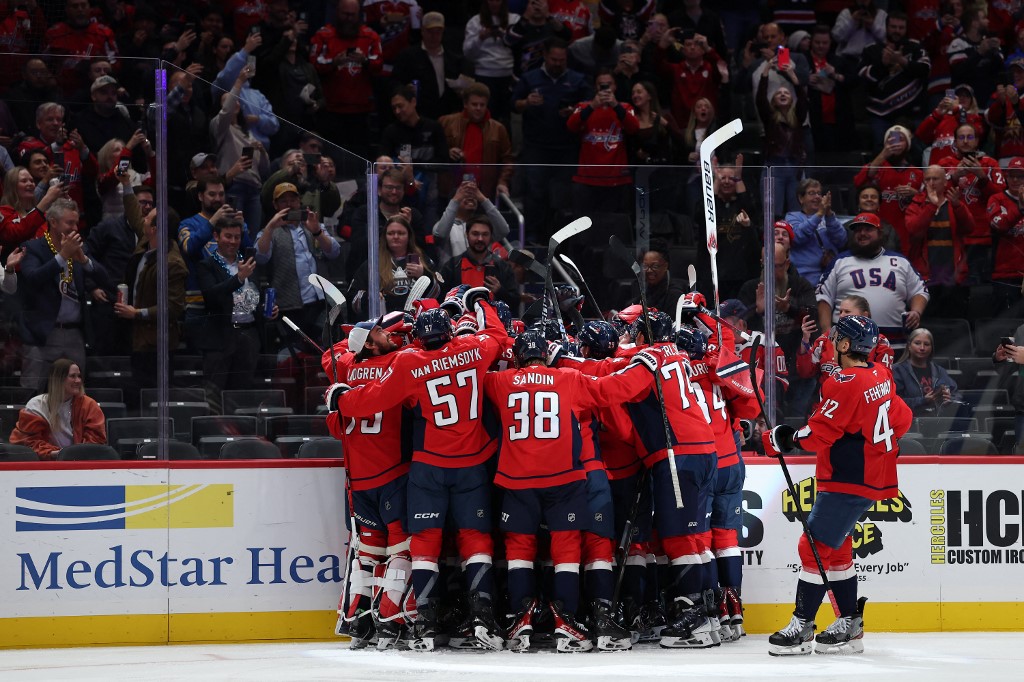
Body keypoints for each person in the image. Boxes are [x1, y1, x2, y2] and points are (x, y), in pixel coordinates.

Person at [332, 296, 510, 652]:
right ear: (449, 332)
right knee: (476, 543)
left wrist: (341, 400)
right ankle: (483, 621)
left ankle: (425, 627)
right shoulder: (473, 349)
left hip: (428, 466)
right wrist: (480, 303)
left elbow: (374, 399)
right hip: (472, 462)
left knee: (424, 545)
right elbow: (498, 335)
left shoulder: (409, 361)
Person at [483, 328, 655, 652]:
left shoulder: (498, 382)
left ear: (518, 357)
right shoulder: (569, 378)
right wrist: (646, 367)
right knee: (568, 551)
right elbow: (611, 390)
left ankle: (521, 619)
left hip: (516, 478)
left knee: (519, 552)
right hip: (563, 477)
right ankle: (566, 622)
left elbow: (474, 368)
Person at [764, 315, 912, 656]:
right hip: (875, 475)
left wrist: (783, 438)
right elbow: (903, 419)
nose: (831, 342)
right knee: (837, 548)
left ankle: (801, 626)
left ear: (845, 345)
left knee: (812, 547)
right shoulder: (881, 375)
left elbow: (819, 434)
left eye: (836, 339)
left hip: (848, 478)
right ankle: (849, 623)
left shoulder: (845, 381)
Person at [323, 315, 412, 649]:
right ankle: (389, 620)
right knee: (402, 549)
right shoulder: (398, 361)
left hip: (358, 479)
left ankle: (358, 621)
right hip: (392, 472)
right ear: (373, 344)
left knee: (368, 552)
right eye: (378, 332)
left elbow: (334, 425)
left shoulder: (347, 371)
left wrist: (348, 339)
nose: (387, 334)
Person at [18, 199, 110, 390]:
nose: (75, 227)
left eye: (76, 223)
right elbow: (32, 278)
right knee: (33, 392)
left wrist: (84, 260)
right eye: (69, 223)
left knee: (76, 394)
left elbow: (105, 279)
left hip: (74, 334)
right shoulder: (33, 248)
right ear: (52, 221)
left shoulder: (80, 248)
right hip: (42, 334)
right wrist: (62, 257)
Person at [114, 182, 187, 403]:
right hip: (138, 338)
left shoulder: (172, 264)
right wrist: (126, 183)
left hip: (156, 345)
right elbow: (135, 214)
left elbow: (173, 307)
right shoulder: (148, 240)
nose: (144, 218)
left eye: (149, 218)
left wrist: (136, 313)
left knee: (151, 397)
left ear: (155, 229)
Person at [511, 37, 590, 241]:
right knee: (536, 193)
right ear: (545, 56)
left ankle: (562, 239)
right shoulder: (529, 78)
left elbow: (589, 106)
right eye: (554, 59)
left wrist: (575, 110)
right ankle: (532, 237)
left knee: (564, 197)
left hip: (567, 148)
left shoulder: (578, 79)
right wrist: (527, 102)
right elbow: (514, 105)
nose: (557, 63)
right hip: (536, 146)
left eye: (561, 60)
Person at [196, 215, 277, 412]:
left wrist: (267, 310)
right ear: (216, 236)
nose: (233, 242)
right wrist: (239, 278)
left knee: (242, 393)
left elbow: (253, 295)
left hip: (248, 334)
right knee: (215, 394)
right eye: (228, 236)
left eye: (237, 237)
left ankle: (241, 434)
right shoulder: (207, 265)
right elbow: (211, 296)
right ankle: (215, 434)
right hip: (220, 337)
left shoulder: (249, 263)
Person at [816, 212, 929, 349]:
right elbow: (824, 297)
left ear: (880, 233)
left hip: (893, 343)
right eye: (858, 230)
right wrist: (826, 332)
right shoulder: (840, 261)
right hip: (848, 342)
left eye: (868, 229)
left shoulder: (900, 262)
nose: (862, 233)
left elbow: (919, 291)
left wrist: (916, 311)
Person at [254, 182, 341, 340]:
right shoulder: (269, 231)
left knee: (322, 348)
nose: (289, 205)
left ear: (299, 202)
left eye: (293, 200)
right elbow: (260, 257)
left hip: (320, 301)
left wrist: (317, 232)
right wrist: (270, 227)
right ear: (275, 205)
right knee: (295, 353)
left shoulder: (313, 225)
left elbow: (334, 252)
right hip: (289, 304)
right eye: (283, 201)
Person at [309, 0, 384, 165]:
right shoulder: (324, 35)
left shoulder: (370, 36)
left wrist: (364, 61)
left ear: (359, 15)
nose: (349, 18)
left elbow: (379, 65)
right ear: (337, 13)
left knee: (359, 159)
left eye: (353, 15)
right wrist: (334, 62)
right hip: (331, 110)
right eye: (345, 14)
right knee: (330, 159)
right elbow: (313, 65)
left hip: (360, 111)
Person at [566, 68, 639, 215]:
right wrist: (593, 106)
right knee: (585, 224)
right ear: (595, 87)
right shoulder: (583, 107)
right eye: (601, 85)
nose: (605, 88)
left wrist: (615, 105)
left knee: (613, 224)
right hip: (586, 178)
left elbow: (634, 128)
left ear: (615, 86)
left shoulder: (625, 107)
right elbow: (571, 126)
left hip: (616, 178)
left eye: (609, 84)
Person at [905, 164, 973, 318]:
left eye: (935, 179)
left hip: (953, 277)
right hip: (926, 277)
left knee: (955, 325)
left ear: (945, 182)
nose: (931, 182)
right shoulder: (917, 204)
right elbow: (914, 230)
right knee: (929, 325)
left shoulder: (954, 202)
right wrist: (931, 206)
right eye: (927, 179)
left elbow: (969, 228)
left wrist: (958, 206)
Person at [209, 64, 271, 231]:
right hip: (235, 186)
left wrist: (263, 152)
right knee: (234, 232)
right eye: (227, 100)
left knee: (251, 237)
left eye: (235, 99)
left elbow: (264, 170)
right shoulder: (220, 127)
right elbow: (226, 112)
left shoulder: (248, 134)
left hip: (254, 190)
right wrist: (239, 82)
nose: (232, 102)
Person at [857, 11, 931, 144]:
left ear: (906, 29)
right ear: (886, 27)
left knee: (915, 152)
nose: (897, 31)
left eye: (901, 28)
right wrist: (883, 64)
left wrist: (902, 61)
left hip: (911, 114)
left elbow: (925, 69)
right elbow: (861, 78)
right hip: (880, 114)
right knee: (882, 152)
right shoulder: (871, 50)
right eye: (893, 27)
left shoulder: (915, 47)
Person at [9, 358, 105, 460]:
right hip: (45, 463)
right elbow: (28, 442)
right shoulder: (36, 405)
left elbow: (95, 441)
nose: (78, 380)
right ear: (58, 379)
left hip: (80, 462)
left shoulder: (89, 405)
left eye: (79, 376)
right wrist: (56, 454)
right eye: (73, 376)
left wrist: (73, 455)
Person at [349, 215, 440, 317]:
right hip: (383, 325)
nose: (396, 237)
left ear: (409, 236)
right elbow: (352, 298)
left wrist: (424, 275)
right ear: (385, 236)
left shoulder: (423, 260)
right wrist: (370, 297)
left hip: (417, 324)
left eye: (401, 233)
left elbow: (440, 296)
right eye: (391, 233)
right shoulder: (373, 264)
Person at [438, 83, 515, 202]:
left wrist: (503, 182)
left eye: (482, 105)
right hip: (452, 189)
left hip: (483, 192)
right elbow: (434, 150)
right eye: (474, 104)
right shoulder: (446, 122)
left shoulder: (498, 129)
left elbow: (507, 159)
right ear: (465, 104)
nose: (478, 108)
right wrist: (446, 152)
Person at [852, 125, 921, 256]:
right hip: (877, 231)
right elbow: (858, 182)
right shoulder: (877, 167)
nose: (896, 143)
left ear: (908, 144)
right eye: (891, 139)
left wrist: (915, 194)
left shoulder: (917, 173)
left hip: (905, 234)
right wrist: (883, 154)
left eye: (901, 139)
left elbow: (927, 202)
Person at [758, 52, 809, 215]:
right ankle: (772, 240)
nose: (782, 94)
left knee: (796, 212)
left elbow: (802, 98)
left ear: (791, 100)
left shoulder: (798, 118)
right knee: (773, 212)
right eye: (779, 93)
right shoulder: (770, 119)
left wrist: (792, 75)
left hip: (795, 168)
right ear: (773, 101)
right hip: (774, 167)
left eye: (786, 93)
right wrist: (766, 70)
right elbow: (760, 99)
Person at [392, 12, 467, 121]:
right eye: (430, 32)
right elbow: (394, 82)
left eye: (438, 32)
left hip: (447, 114)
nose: (434, 36)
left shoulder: (453, 57)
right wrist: (405, 90)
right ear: (422, 31)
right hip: (418, 114)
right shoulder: (408, 56)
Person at [437, 216, 519, 309]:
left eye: (485, 234)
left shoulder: (503, 267)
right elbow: (440, 299)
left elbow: (515, 302)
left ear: (491, 236)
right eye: (475, 234)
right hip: (458, 321)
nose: (480, 239)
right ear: (466, 235)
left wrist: (500, 291)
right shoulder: (451, 266)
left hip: (494, 322)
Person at [463, 0, 521, 127]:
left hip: (507, 74)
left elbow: (520, 49)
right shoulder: (475, 21)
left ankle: (507, 146)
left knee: (505, 120)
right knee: (485, 118)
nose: (495, 3)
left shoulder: (515, 20)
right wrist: (480, 38)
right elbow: (467, 53)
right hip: (484, 74)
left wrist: (505, 36)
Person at [43, 0, 119, 96]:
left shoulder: (104, 33)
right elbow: (44, 63)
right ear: (67, 9)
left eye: (83, 6)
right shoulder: (54, 34)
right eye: (75, 6)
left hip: (98, 92)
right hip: (62, 92)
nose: (80, 10)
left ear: (90, 8)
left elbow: (115, 64)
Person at [432, 179, 511, 265]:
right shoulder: (445, 226)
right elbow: (440, 235)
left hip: (482, 274)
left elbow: (504, 230)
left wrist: (483, 199)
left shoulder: (483, 227)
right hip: (453, 275)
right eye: (465, 196)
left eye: (473, 196)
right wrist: (456, 200)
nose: (470, 198)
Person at [892, 327, 965, 418]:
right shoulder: (897, 370)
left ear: (931, 348)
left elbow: (956, 394)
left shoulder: (939, 371)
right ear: (909, 346)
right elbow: (892, 401)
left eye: (926, 344)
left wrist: (949, 399)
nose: (922, 348)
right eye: (917, 343)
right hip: (909, 423)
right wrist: (923, 401)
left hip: (937, 421)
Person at [785, 178, 847, 286]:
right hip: (806, 279)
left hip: (833, 275)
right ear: (801, 198)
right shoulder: (792, 217)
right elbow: (796, 237)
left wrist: (828, 215)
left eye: (819, 193)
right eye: (811, 193)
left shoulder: (828, 217)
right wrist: (819, 214)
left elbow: (841, 240)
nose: (817, 197)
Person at [0, 165, 67, 258]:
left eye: (32, 181)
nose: (30, 184)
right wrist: (47, 199)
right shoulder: (3, 212)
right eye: (24, 181)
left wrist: (64, 204)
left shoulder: (44, 214)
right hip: (16, 268)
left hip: (45, 265)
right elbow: (15, 234)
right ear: (12, 186)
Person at [987, 156, 1024, 314]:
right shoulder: (997, 199)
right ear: (1006, 177)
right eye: (1011, 175)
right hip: (1005, 275)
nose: (1015, 179)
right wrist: (1020, 209)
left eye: (1020, 176)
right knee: (1006, 326)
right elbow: (999, 225)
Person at [627, 239, 686, 313]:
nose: (649, 270)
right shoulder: (638, 286)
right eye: (645, 266)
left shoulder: (675, 294)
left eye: (655, 266)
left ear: (665, 266)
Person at [842, 184, 900, 253]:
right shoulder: (847, 227)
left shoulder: (889, 229)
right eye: (865, 197)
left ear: (879, 204)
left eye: (873, 197)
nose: (869, 199)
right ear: (858, 203)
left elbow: (893, 252)